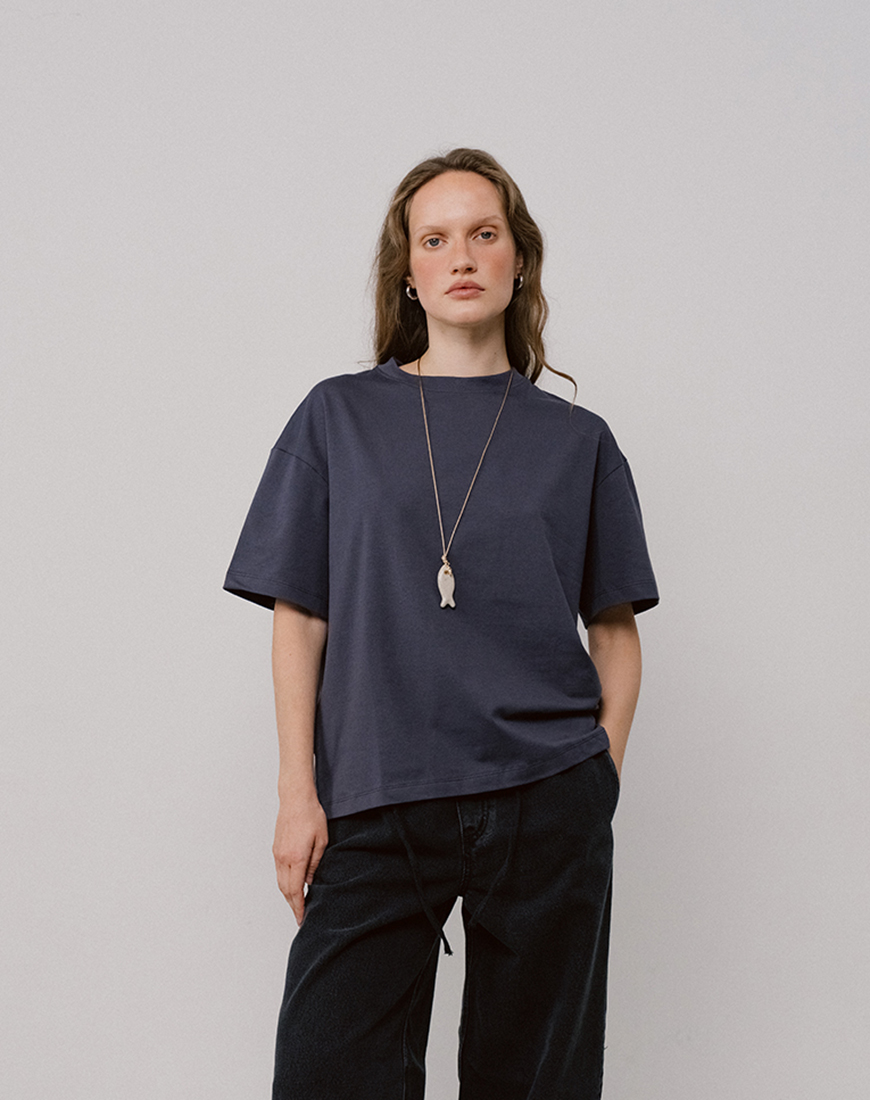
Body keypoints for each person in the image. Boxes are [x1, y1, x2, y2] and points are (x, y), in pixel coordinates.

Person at [224, 147, 658, 1100]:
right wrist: (297, 794)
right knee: (328, 1074)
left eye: (483, 234)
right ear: (409, 273)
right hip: (378, 795)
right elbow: (299, 614)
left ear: (518, 260)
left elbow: (615, 629)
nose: (461, 255)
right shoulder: (336, 417)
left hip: (546, 796)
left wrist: (598, 782)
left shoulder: (578, 442)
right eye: (435, 239)